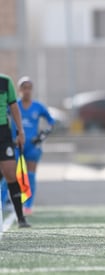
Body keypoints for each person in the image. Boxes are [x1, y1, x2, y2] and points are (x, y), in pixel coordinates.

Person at [10, 76, 55, 215]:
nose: (27, 91)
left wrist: (43, 136)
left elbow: (51, 121)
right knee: (11, 174)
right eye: (24, 88)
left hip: (32, 146)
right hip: (16, 144)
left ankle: (28, 205)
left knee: (30, 175)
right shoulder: (13, 105)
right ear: (19, 90)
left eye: (29, 88)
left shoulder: (38, 106)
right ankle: (7, 201)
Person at [0, 73, 30, 228]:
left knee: (11, 173)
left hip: (3, 133)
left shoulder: (5, 82)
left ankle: (21, 218)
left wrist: (20, 131)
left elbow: (13, 106)